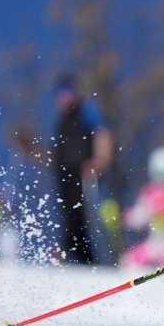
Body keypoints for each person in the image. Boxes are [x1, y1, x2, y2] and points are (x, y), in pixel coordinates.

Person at [52, 74, 112, 265]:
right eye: (62, 93)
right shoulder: (61, 121)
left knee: (84, 216)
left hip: (85, 174)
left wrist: (100, 160)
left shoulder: (86, 113)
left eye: (70, 91)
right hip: (64, 175)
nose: (66, 96)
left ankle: (91, 259)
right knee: (67, 214)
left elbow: (102, 134)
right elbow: (55, 155)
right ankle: (71, 255)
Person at [120, 146, 164, 268]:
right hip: (154, 242)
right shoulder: (151, 192)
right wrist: (125, 217)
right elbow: (141, 215)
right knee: (128, 262)